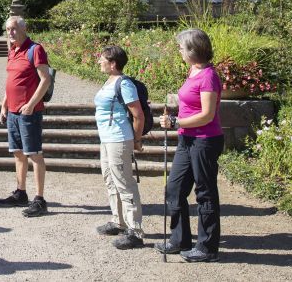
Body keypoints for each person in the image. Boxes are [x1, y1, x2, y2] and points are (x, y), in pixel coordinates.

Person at [157, 28, 224, 263]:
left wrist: (175, 122)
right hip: (187, 139)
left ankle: (207, 248)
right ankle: (180, 239)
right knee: (173, 189)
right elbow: (191, 101)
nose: (179, 51)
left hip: (204, 141)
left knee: (205, 194)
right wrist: (175, 107)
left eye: (181, 47)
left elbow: (207, 115)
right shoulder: (193, 70)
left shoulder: (208, 76)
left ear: (193, 49)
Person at [0, 16, 52, 217]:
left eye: (12, 29)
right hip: (12, 111)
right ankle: (21, 193)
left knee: (34, 155)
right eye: (7, 30)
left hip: (29, 112)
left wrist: (30, 105)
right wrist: (4, 105)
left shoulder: (34, 49)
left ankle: (40, 200)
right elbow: (12, 80)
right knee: (18, 153)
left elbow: (45, 79)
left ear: (23, 28)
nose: (10, 33)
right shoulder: (12, 51)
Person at [93, 45, 145, 249]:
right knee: (110, 180)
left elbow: (138, 115)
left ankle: (135, 231)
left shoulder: (124, 84)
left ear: (113, 64)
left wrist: (136, 140)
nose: (99, 61)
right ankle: (118, 221)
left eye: (102, 59)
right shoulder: (109, 81)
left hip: (118, 139)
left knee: (124, 183)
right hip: (106, 139)